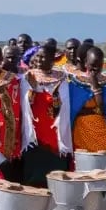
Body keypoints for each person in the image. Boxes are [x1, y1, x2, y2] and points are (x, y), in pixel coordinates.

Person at [20, 40, 71, 185]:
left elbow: (64, 102)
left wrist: (55, 98)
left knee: (54, 162)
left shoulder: (61, 77)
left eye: (44, 57)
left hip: (54, 124)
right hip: (36, 125)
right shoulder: (28, 77)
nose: (40, 60)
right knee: (35, 156)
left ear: (52, 59)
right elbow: (25, 101)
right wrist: (33, 90)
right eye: (38, 56)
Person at [68, 46, 106, 156]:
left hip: (101, 129)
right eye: (92, 65)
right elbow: (73, 110)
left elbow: (104, 110)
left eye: (98, 66)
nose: (95, 69)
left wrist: (95, 86)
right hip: (81, 129)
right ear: (85, 63)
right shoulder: (75, 83)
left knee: (101, 166)